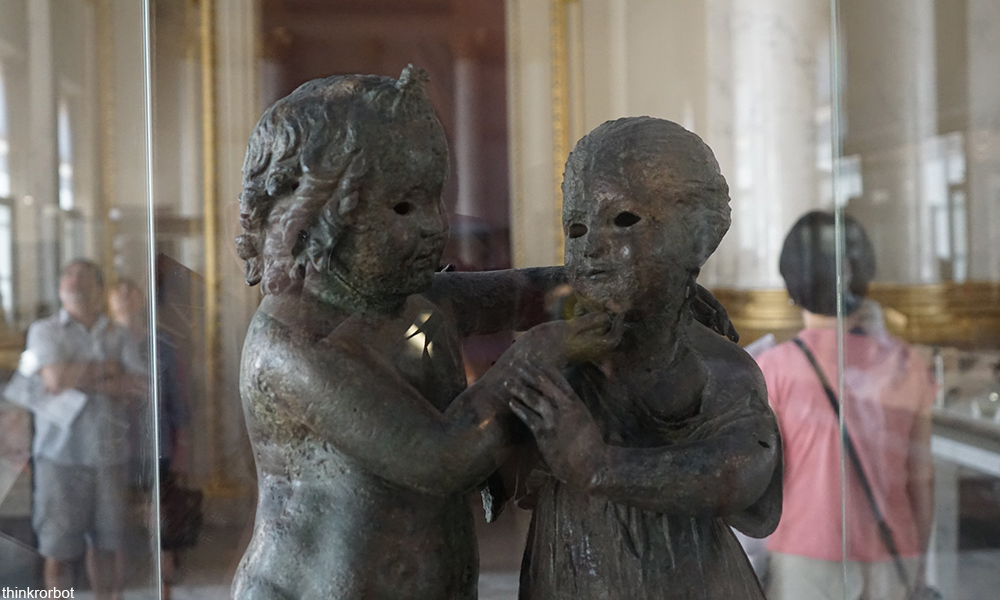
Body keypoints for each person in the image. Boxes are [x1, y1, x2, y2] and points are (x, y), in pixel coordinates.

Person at [230, 66, 616, 599]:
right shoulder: (294, 346)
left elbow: (528, 293)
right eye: (404, 206)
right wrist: (539, 357)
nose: (436, 224)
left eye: (437, 198)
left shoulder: (417, 303)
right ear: (314, 216)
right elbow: (441, 457)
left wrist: (624, 292)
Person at [504, 117, 782, 599]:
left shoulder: (714, 365)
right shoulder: (565, 354)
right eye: (576, 226)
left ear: (697, 235)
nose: (590, 245)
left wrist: (599, 466)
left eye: (623, 219)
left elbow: (743, 473)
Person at [755, 210, 936, 600]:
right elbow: (921, 479)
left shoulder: (771, 370)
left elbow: (758, 483)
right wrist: (917, 564)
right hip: (892, 551)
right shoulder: (906, 363)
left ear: (793, 284)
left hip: (804, 554)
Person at [21, 260, 146, 600]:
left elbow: (136, 386)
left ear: (97, 287)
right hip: (59, 459)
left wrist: (76, 377)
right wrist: (108, 371)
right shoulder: (44, 330)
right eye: (67, 274)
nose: (73, 280)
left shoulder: (117, 333)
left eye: (82, 275)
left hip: (109, 457)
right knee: (58, 549)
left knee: (108, 545)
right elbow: (55, 380)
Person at [107, 278, 190, 600]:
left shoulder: (161, 343)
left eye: (132, 290)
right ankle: (116, 592)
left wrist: (182, 446)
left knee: (161, 524)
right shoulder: (102, 341)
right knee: (114, 527)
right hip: (111, 447)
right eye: (119, 290)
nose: (126, 296)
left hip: (156, 445)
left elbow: (176, 400)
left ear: (143, 299)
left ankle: (164, 590)